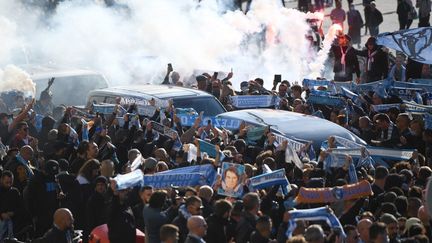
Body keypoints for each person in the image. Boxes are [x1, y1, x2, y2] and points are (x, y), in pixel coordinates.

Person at [0, 171, 21, 241]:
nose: (9, 185)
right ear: (1, 180)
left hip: (13, 223)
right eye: (7, 182)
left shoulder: (15, 192)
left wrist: (13, 213)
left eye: (10, 182)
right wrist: (1, 214)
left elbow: (20, 207)